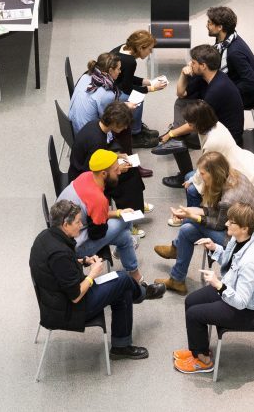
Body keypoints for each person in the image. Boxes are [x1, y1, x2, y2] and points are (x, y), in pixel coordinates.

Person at [29, 199, 149, 360]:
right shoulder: (59, 254)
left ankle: (122, 345)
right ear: (65, 224)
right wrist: (93, 274)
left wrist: (84, 261)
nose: (81, 225)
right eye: (78, 222)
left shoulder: (46, 236)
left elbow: (58, 270)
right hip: (69, 310)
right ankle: (142, 294)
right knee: (122, 279)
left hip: (54, 301)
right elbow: (76, 296)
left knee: (123, 288)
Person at [171, 202, 254, 373]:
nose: (226, 224)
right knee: (191, 301)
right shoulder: (238, 238)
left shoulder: (252, 261)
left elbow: (240, 302)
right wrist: (214, 247)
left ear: (244, 228)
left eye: (231, 222)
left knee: (194, 315)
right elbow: (229, 260)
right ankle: (199, 350)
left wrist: (218, 285)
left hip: (249, 311)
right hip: (231, 288)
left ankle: (203, 362)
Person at [57, 149, 165, 300]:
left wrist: (117, 212)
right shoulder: (98, 199)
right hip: (75, 248)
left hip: (66, 234)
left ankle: (136, 278)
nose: (119, 173)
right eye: (116, 170)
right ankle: (134, 275)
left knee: (125, 235)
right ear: (103, 173)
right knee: (124, 224)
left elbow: (91, 214)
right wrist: (120, 217)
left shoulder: (86, 176)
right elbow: (98, 233)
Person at [154, 153, 254, 295]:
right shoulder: (233, 175)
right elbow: (217, 211)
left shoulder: (229, 198)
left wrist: (189, 216)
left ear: (214, 173)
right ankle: (177, 278)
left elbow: (219, 224)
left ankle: (176, 252)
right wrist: (189, 211)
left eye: (202, 173)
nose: (200, 177)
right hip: (244, 225)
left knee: (189, 224)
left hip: (248, 238)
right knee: (186, 230)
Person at [68, 102, 152, 237]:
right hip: (84, 178)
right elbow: (92, 171)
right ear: (115, 123)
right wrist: (117, 168)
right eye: (124, 124)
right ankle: (128, 221)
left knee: (132, 170)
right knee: (125, 179)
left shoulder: (96, 125)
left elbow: (100, 155)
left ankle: (136, 205)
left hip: (86, 171)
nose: (125, 127)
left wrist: (116, 156)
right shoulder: (97, 140)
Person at [153, 45, 244, 166]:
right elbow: (181, 94)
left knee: (178, 138)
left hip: (225, 135)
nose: (190, 64)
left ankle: (184, 174)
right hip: (214, 122)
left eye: (194, 62)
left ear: (203, 66)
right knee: (181, 103)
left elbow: (196, 124)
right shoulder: (206, 76)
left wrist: (172, 134)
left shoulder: (217, 89)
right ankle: (177, 134)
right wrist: (183, 74)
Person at [161, 101, 254, 200]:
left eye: (190, 124)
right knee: (189, 177)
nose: (188, 125)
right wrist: (171, 133)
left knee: (191, 189)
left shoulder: (212, 143)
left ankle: (197, 213)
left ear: (198, 123)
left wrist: (193, 181)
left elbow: (205, 167)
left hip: (236, 174)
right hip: (236, 162)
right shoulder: (215, 124)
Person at [110, 30, 167, 148]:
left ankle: (137, 128)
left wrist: (146, 81)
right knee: (137, 99)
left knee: (138, 94)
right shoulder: (130, 61)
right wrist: (151, 88)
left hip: (111, 84)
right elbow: (126, 88)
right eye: (149, 49)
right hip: (111, 90)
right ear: (141, 48)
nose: (150, 52)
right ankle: (135, 134)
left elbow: (124, 77)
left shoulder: (122, 48)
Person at [68, 53, 140, 137]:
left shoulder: (86, 76)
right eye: (118, 69)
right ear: (110, 70)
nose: (120, 72)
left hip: (74, 127)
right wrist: (126, 107)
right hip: (88, 136)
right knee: (125, 122)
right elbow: (107, 120)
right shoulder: (107, 94)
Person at [205, 7, 254, 108]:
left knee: (195, 95)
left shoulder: (234, 53)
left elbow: (251, 82)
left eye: (209, 23)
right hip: (231, 82)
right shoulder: (227, 39)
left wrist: (228, 92)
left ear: (220, 27)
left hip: (240, 97)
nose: (207, 25)